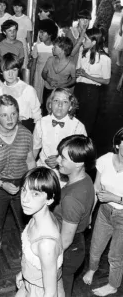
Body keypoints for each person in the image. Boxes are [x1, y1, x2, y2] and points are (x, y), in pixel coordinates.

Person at [0, 95, 36, 263]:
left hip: (22, 183)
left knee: (25, 221)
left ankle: (29, 249)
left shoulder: (25, 134)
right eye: (4, 115)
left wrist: (31, 185)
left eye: (13, 113)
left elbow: (30, 160)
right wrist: (2, 184)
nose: (10, 119)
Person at [53, 134, 96, 297]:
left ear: (79, 163)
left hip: (68, 251)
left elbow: (65, 240)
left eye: (62, 158)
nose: (57, 160)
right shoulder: (85, 179)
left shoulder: (72, 198)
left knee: (60, 289)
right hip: (77, 244)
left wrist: (47, 258)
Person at [83, 127, 123, 297]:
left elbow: (108, 195)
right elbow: (96, 188)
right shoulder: (105, 160)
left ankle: (113, 285)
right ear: (118, 144)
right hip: (104, 212)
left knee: (115, 255)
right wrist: (90, 214)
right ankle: (92, 269)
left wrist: (114, 197)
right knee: (95, 246)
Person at [15, 167, 65, 297]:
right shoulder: (38, 216)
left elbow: (51, 293)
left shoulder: (46, 244)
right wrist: (24, 274)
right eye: (24, 190)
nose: (25, 199)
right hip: (31, 283)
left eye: (35, 194)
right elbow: (35, 260)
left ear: (49, 199)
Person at [33, 88, 87, 186]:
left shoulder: (78, 127)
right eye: (56, 100)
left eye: (65, 102)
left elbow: (82, 156)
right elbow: (34, 150)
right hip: (43, 171)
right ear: (50, 104)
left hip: (66, 177)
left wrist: (59, 160)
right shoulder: (41, 123)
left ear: (70, 107)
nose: (60, 105)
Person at [0, 53, 41, 132]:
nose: (10, 74)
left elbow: (37, 116)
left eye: (14, 70)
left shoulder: (28, 90)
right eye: (7, 70)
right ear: (1, 72)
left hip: (25, 128)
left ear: (18, 70)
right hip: (5, 128)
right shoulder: (0, 91)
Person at [74, 27, 111, 136]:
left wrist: (87, 76)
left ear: (94, 42)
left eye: (85, 39)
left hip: (92, 92)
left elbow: (106, 81)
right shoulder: (82, 51)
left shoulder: (104, 59)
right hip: (79, 89)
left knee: (87, 122)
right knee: (76, 119)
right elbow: (78, 70)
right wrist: (77, 73)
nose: (83, 41)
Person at [42, 36, 76, 115]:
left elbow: (73, 80)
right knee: (46, 110)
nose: (52, 48)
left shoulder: (71, 65)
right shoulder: (50, 59)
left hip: (61, 93)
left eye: (55, 47)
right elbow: (43, 73)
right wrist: (49, 80)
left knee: (58, 112)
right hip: (48, 90)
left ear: (62, 50)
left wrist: (63, 85)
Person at [30, 19, 58, 104]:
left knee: (49, 101)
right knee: (37, 101)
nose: (40, 35)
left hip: (50, 77)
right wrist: (31, 81)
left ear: (50, 34)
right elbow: (33, 65)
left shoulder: (55, 48)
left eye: (43, 33)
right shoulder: (37, 47)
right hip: (38, 77)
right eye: (39, 32)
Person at [10, 0, 32, 68]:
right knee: (12, 66)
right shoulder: (10, 18)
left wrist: (30, 49)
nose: (16, 8)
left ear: (22, 7)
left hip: (22, 44)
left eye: (19, 6)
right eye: (15, 6)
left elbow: (29, 36)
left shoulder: (26, 19)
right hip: (12, 44)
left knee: (23, 67)